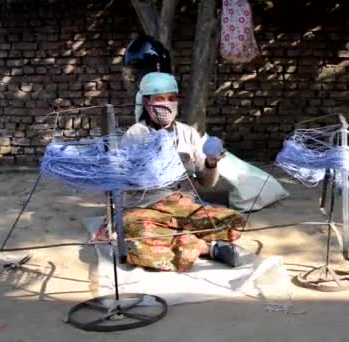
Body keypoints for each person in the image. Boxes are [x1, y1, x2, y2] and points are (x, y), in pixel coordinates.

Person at [100, 72, 246, 272]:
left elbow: (207, 182)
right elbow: (121, 180)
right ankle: (208, 248)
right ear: (146, 102)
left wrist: (211, 162)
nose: (166, 104)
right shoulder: (136, 134)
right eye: (159, 99)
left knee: (233, 220)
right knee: (130, 229)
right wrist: (111, 218)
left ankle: (178, 237)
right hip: (147, 208)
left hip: (183, 206)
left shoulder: (188, 133)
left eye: (171, 98)